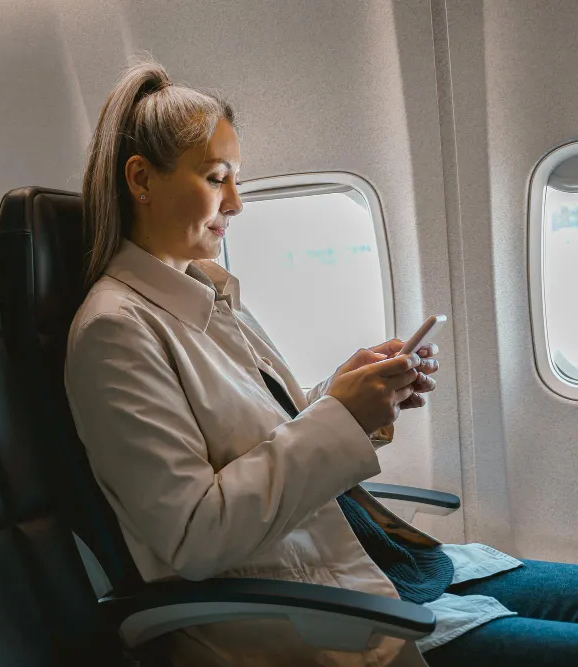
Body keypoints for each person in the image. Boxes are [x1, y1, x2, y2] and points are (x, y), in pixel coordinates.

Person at [64, 58, 578, 667]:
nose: (235, 203)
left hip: (374, 564)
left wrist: (349, 392)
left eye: (236, 180)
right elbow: (195, 535)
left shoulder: (205, 290)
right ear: (142, 179)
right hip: (302, 612)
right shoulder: (114, 333)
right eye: (216, 177)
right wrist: (340, 418)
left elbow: (264, 434)